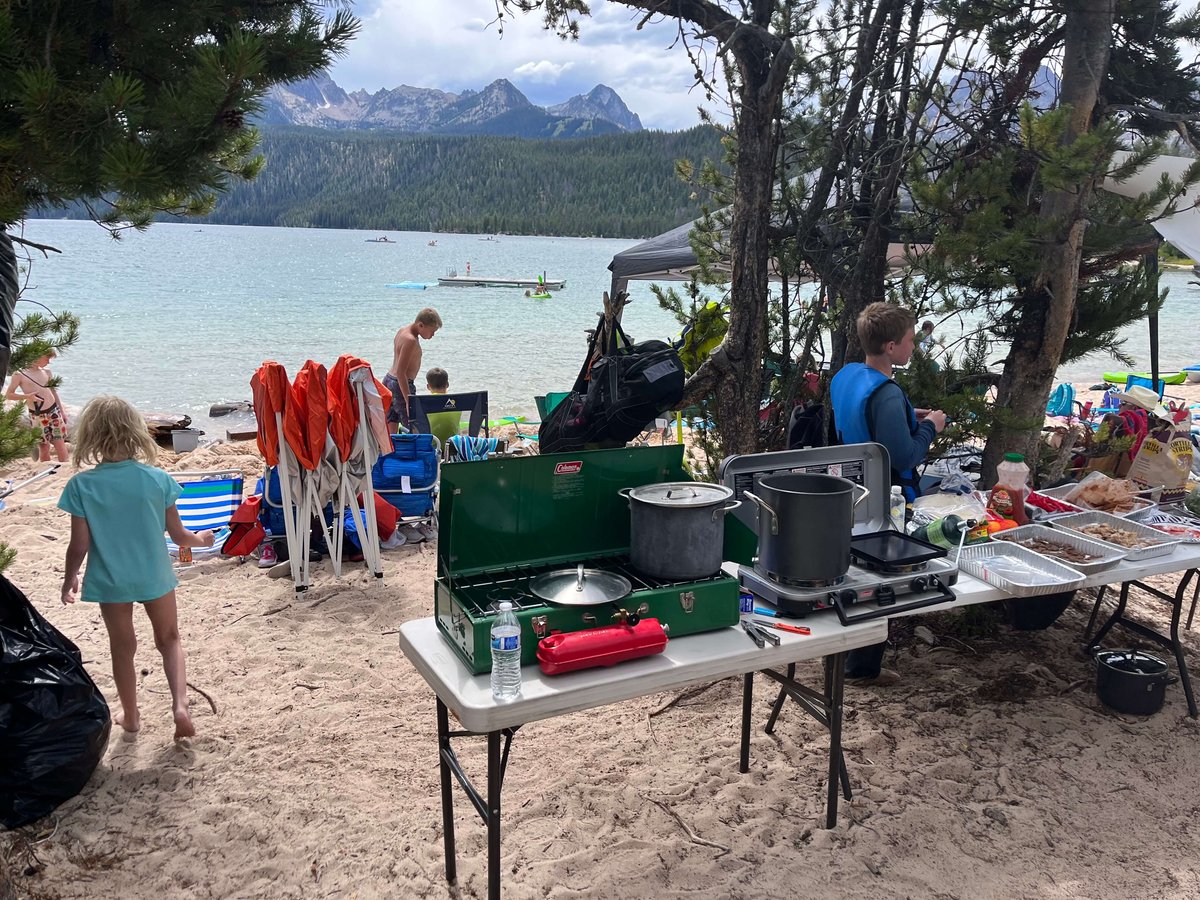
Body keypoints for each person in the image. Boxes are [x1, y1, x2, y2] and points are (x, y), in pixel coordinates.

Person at [57, 396, 215, 740]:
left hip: (111, 581)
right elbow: (178, 535)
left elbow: (79, 545)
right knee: (170, 639)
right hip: (154, 574)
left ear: (91, 436)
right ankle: (180, 706)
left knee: (122, 647)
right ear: (136, 432)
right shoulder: (156, 479)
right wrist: (202, 540)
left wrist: (70, 578)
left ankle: (131, 716)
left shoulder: (82, 486)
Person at [830, 303, 947, 687]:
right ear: (893, 346)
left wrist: (912, 416)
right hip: (884, 494)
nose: (914, 348)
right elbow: (904, 454)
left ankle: (840, 653)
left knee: (850, 571)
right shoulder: (888, 392)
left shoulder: (847, 376)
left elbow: (864, 421)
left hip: (848, 486)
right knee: (880, 578)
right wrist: (931, 427)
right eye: (911, 341)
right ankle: (862, 668)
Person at [383, 307, 442, 431]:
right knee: (413, 425)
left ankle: (392, 450)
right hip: (401, 385)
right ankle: (416, 449)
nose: (433, 335)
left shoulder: (402, 331)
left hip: (389, 380)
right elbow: (400, 372)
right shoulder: (410, 340)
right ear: (421, 325)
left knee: (392, 422)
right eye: (432, 331)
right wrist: (408, 399)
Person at [6, 351, 70, 462]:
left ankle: (64, 469)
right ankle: (46, 470)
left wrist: (62, 412)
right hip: (37, 414)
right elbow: (9, 395)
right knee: (44, 447)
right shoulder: (19, 374)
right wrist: (27, 397)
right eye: (47, 359)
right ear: (38, 355)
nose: (48, 362)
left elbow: (53, 392)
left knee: (60, 444)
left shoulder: (47, 372)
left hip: (53, 411)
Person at [423, 367, 463, 450]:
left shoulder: (424, 403)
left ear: (428, 386)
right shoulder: (457, 401)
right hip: (454, 445)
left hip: (431, 447)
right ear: (447, 384)